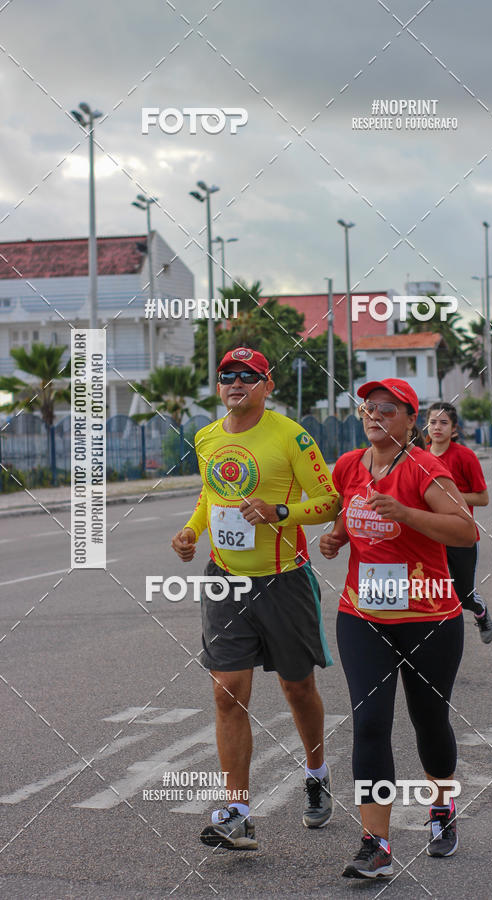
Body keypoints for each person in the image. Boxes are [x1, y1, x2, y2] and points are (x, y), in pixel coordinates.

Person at [171, 347, 338, 852]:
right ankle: (238, 811)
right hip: (225, 581)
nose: (235, 382)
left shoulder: (292, 436)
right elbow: (209, 494)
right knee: (227, 693)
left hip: (283, 580)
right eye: (226, 375)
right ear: (219, 386)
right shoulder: (207, 436)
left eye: (247, 375)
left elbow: (329, 500)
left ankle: (317, 772)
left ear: (268, 384)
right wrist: (191, 531)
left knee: (298, 690)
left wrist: (280, 512)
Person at [319, 378, 477, 879]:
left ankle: (442, 805)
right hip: (363, 615)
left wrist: (408, 512)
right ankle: (376, 844)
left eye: (388, 410)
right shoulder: (348, 465)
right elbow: (349, 516)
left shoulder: (424, 467)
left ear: (411, 420)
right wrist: (336, 538)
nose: (375, 416)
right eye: (369, 408)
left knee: (429, 723)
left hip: (430, 618)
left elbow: (466, 528)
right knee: (369, 724)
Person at [426, 401, 492, 643]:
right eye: (433, 422)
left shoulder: (465, 456)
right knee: (433, 592)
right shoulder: (418, 456)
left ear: (454, 429)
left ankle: (480, 611)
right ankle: (437, 639)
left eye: (444, 423)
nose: (437, 427)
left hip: (461, 537)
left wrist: (449, 495)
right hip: (430, 536)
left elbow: (483, 498)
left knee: (464, 595)